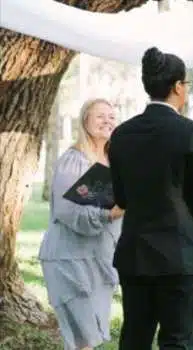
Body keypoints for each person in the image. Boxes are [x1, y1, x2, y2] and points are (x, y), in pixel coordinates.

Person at [108, 47, 193, 350]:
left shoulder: (120, 134)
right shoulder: (192, 133)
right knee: (178, 343)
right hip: (179, 258)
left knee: (134, 339)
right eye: (186, 85)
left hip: (135, 256)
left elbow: (121, 197)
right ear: (177, 87)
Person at [39, 98, 123, 350]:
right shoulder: (73, 160)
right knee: (80, 339)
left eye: (111, 116)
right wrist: (109, 214)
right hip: (69, 259)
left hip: (99, 259)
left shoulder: (116, 161)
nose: (107, 120)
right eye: (100, 116)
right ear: (85, 120)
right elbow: (67, 210)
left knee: (89, 340)